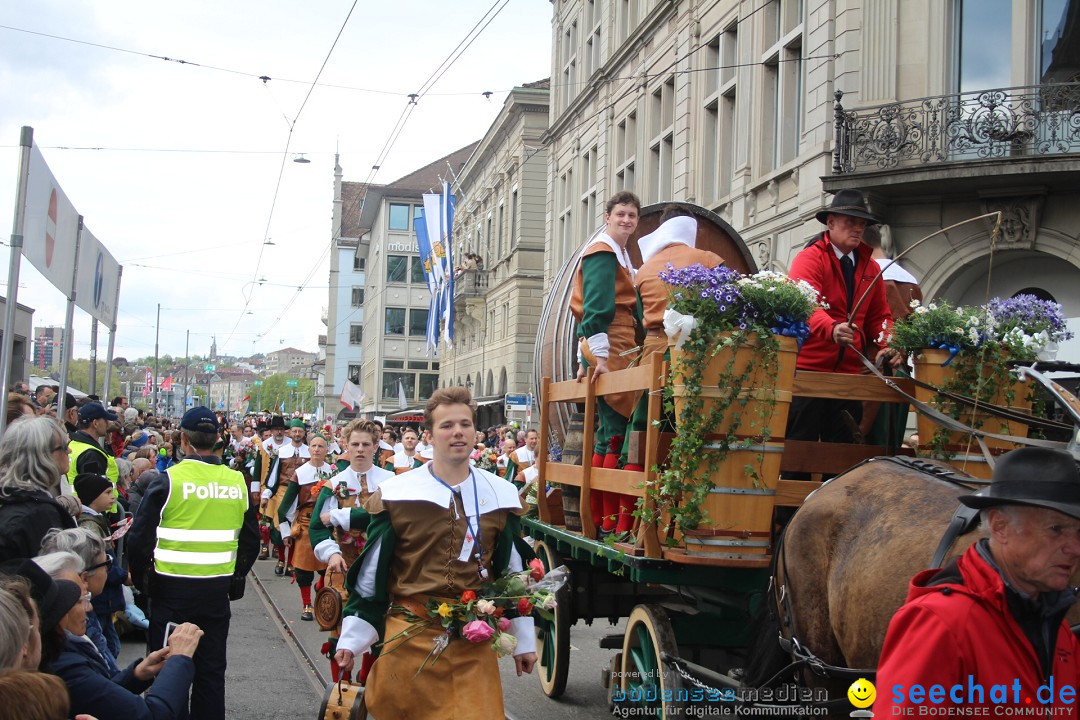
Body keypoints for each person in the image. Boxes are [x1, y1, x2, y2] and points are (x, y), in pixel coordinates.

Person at [333, 388, 536, 719]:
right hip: (409, 639)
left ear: (474, 432)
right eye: (447, 425)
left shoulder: (500, 494)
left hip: (473, 640)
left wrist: (524, 639)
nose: (458, 431)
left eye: (465, 424)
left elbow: (513, 573)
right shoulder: (399, 495)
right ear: (429, 434)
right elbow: (372, 576)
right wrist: (351, 640)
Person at [875, 448, 1080, 714]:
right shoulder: (941, 623)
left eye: (1079, 532)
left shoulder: (1059, 630)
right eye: (1056, 529)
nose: (1075, 548)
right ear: (1000, 526)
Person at [127, 407, 259, 720]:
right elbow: (251, 541)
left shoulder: (169, 480)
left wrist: (144, 578)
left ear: (183, 440)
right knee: (210, 675)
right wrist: (234, 576)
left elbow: (139, 538)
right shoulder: (236, 481)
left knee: (166, 669)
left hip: (171, 592)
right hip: (215, 592)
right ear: (216, 439)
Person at [786, 189, 899, 450]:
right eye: (851, 222)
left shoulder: (871, 268)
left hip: (849, 378)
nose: (858, 229)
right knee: (799, 451)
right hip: (808, 374)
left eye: (861, 224)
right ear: (831, 223)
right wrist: (832, 328)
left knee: (843, 451)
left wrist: (888, 342)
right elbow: (805, 304)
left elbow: (880, 316)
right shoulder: (810, 258)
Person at [570, 190, 642, 535]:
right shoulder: (602, 251)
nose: (626, 220)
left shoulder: (618, 253)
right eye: (621, 214)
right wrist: (598, 355)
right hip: (612, 341)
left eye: (632, 215)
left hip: (614, 340)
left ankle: (603, 520)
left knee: (606, 433)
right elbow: (595, 308)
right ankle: (614, 523)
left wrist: (586, 355)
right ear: (608, 217)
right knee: (617, 431)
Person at [310, 419, 393, 682]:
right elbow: (317, 527)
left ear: (376, 446)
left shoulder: (391, 482)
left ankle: (367, 681)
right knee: (340, 630)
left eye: (365, 444)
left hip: (382, 568)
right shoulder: (334, 484)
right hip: (342, 566)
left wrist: (342, 515)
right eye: (354, 444)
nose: (359, 449)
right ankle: (340, 689)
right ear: (345, 444)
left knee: (380, 628)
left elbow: (395, 523)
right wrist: (331, 553)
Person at [858, 224, 923, 444]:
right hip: (901, 373)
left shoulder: (872, 276)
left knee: (867, 451)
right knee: (892, 447)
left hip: (874, 372)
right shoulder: (910, 280)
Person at [39, 526, 124, 675]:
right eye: (107, 564)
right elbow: (105, 685)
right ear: (84, 577)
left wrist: (137, 674)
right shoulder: (75, 628)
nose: (88, 607)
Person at [0, 416, 77, 563]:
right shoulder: (38, 513)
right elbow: (51, 573)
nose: (69, 450)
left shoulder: (14, 498)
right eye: (64, 446)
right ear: (42, 455)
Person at [276, 433, 332, 621]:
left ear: (327, 450)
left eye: (321, 446)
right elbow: (284, 508)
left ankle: (321, 595)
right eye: (314, 446)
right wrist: (287, 532)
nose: (316, 449)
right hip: (306, 525)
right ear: (309, 449)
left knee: (328, 568)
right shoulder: (300, 473)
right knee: (304, 570)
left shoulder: (333, 473)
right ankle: (307, 604)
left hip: (327, 525)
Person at [261, 418, 309, 575]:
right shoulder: (281, 452)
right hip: (283, 492)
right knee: (280, 527)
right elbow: (273, 477)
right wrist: (267, 494)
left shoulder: (309, 452)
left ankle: (292, 562)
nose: (297, 434)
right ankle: (281, 558)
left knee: (297, 529)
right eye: (294, 431)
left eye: (300, 431)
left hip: (301, 494)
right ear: (290, 432)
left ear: (303, 433)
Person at [67, 402, 120, 497]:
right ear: (95, 423)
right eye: (105, 420)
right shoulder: (91, 454)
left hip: (75, 505)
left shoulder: (72, 444)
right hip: (92, 509)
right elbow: (94, 492)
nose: (108, 424)